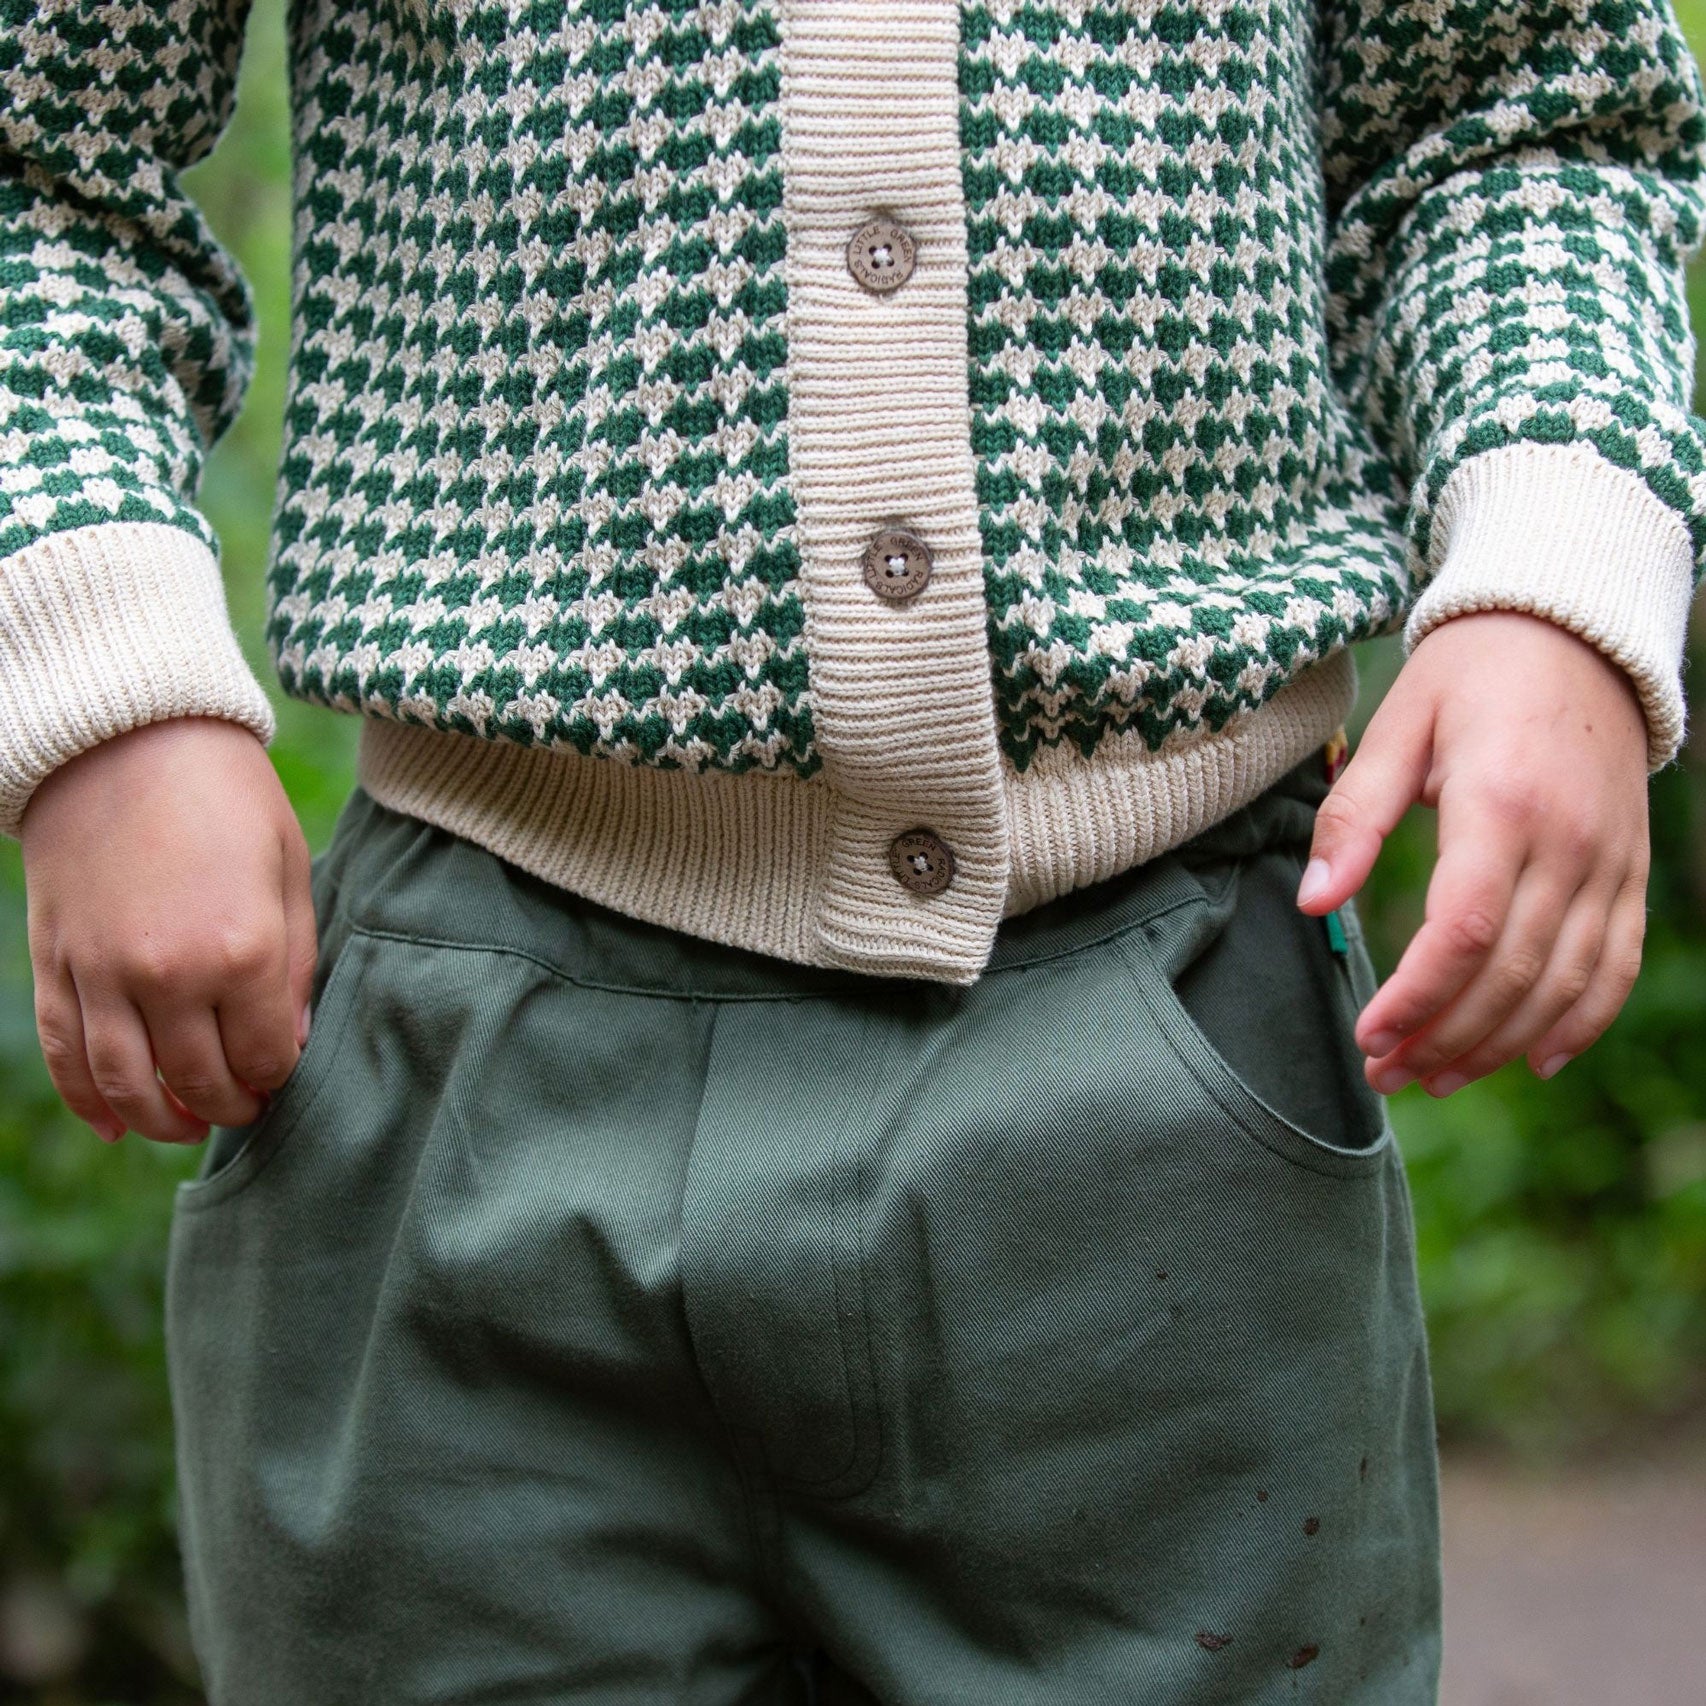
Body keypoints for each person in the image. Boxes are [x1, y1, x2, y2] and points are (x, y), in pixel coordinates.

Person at [2, 0, 1698, 1700]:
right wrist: (105, 669)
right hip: (460, 1080)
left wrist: (1557, 549)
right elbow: (40, 160)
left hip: (1171, 1082)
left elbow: (1523, 113)